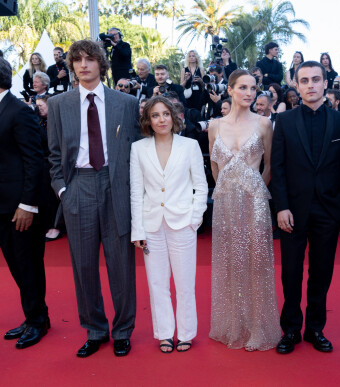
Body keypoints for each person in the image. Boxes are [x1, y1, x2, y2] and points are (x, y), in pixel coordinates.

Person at [47, 39, 141, 358]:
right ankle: (96, 330)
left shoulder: (125, 104)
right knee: (84, 265)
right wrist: (63, 191)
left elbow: (137, 151)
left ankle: (123, 330)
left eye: (90, 59)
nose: (84, 64)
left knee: (121, 265)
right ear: (72, 65)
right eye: (78, 60)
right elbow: (54, 154)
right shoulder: (59, 104)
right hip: (79, 186)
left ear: (102, 64)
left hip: (116, 185)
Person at [271, 61, 340, 354]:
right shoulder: (285, 122)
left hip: (328, 211)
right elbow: (277, 168)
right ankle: (290, 329)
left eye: (316, 79)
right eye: (304, 80)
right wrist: (281, 207)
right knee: (290, 272)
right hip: (292, 211)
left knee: (321, 272)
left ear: (325, 81)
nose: (310, 85)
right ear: (296, 84)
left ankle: (315, 328)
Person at [207, 69, 279, 351]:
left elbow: (270, 165)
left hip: (255, 202)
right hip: (225, 203)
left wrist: (254, 192)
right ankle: (234, 323)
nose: (249, 93)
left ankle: (259, 327)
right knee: (229, 263)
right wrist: (227, 191)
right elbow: (215, 167)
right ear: (230, 89)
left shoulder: (264, 123)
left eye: (253, 88)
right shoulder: (214, 125)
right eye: (243, 87)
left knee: (256, 264)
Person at [130, 96, 207, 353]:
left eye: (165, 114)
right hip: (151, 225)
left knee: (185, 283)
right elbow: (136, 192)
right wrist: (137, 230)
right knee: (157, 283)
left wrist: (195, 219)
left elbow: (201, 185)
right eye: (155, 115)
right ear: (148, 121)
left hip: (183, 222)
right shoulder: (138, 148)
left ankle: (185, 332)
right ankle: (164, 332)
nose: (161, 119)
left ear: (173, 117)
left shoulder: (190, 145)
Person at [0, 57, 50, 349]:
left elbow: (35, 160)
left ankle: (37, 321)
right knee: (17, 266)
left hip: (21, 207)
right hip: (3, 206)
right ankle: (35, 315)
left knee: (28, 264)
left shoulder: (19, 111)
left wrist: (28, 205)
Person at [34, 95, 63, 242]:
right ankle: (46, 224)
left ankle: (55, 225)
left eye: (41, 106)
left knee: (53, 197)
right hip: (41, 165)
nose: (38, 108)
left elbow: (48, 140)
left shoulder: (55, 121)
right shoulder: (38, 121)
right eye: (36, 106)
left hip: (55, 165)